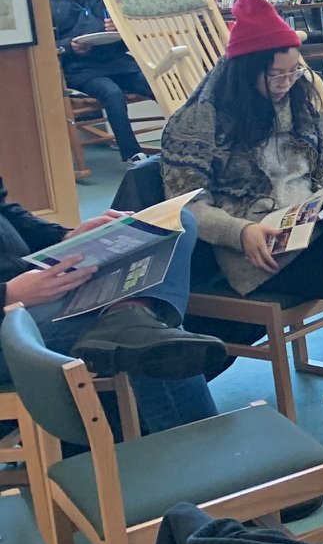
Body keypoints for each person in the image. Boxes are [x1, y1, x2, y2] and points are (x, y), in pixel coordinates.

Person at [160, 0, 323, 371]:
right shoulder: (201, 120)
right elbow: (184, 206)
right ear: (247, 70)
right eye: (277, 75)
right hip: (256, 251)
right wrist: (241, 231)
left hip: (307, 230)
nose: (287, 82)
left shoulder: (300, 103)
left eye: (294, 71)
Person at [0, 177, 226, 434]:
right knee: (144, 334)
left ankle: (127, 313)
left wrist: (64, 236)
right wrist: (9, 293)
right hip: (10, 315)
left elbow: (5, 211)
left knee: (176, 222)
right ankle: (200, 450)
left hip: (31, 281)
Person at [45, 0, 155, 163]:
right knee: (111, 93)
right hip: (81, 69)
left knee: (155, 82)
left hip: (116, 61)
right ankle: (132, 153)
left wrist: (117, 28)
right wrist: (70, 46)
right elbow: (47, 47)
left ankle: (185, 135)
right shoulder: (45, 4)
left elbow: (127, 39)